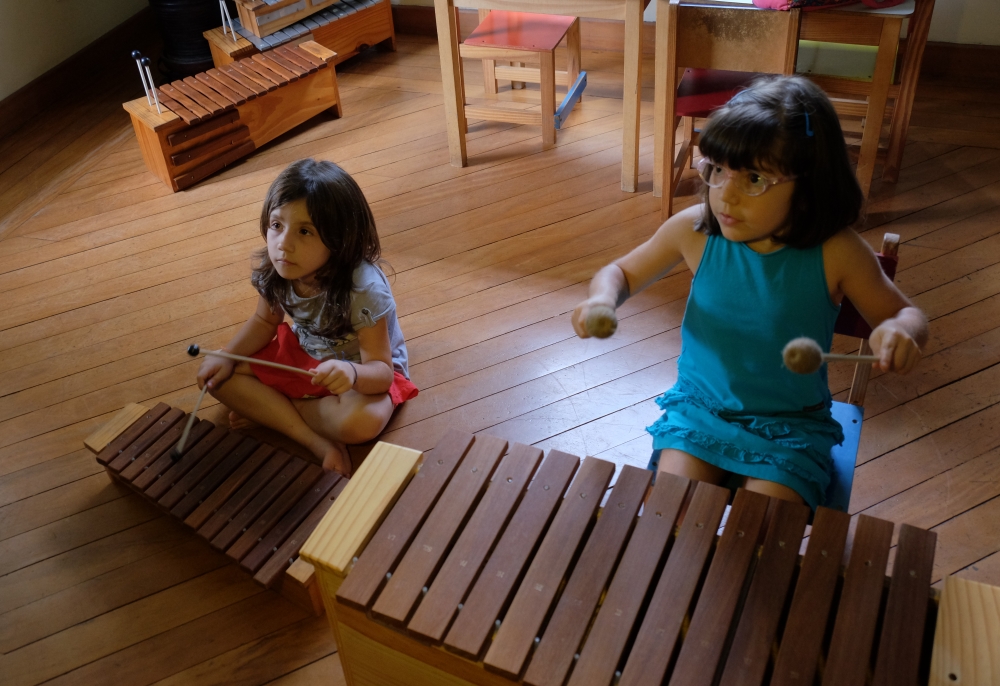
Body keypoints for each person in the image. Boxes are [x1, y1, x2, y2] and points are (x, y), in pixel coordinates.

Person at [572, 76, 927, 509]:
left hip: (790, 428)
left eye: (754, 178)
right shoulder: (695, 231)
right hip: (701, 411)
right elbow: (622, 272)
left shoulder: (837, 252)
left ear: (809, 185)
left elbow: (905, 315)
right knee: (672, 515)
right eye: (718, 170)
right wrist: (602, 299)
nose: (726, 195)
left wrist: (901, 334)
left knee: (761, 533)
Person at [197, 159, 418, 476]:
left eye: (304, 231)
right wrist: (229, 357)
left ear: (339, 238)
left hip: (360, 372)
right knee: (216, 376)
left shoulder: (363, 289)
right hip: (305, 357)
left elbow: (381, 373)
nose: (283, 244)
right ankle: (316, 442)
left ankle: (274, 411)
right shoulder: (276, 268)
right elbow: (264, 322)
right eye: (277, 225)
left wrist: (351, 373)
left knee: (362, 424)